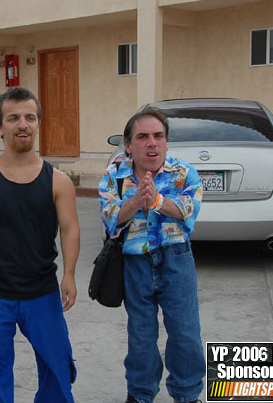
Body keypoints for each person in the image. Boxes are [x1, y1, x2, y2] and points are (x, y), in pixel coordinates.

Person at [0, 87, 80, 403]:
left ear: (38, 123)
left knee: (58, 369)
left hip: (43, 292)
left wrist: (69, 275)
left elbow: (69, 229)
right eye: (13, 118)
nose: (22, 124)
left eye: (29, 117)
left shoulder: (59, 181)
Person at [98, 108, 206, 403]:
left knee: (185, 332)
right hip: (135, 263)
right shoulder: (115, 174)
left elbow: (189, 210)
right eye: (142, 136)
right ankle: (141, 393)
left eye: (158, 136)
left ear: (166, 143)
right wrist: (135, 201)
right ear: (129, 145)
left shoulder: (184, 173)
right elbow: (110, 217)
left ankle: (186, 393)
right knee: (141, 335)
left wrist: (156, 201)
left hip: (176, 258)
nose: (152, 143)